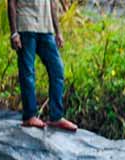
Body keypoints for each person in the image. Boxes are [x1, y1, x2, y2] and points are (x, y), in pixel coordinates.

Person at [8, 0, 77, 131]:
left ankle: (56, 117)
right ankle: (29, 116)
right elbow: (11, 3)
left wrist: (58, 32)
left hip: (46, 28)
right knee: (27, 72)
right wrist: (14, 33)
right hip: (26, 26)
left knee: (57, 70)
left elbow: (53, 3)